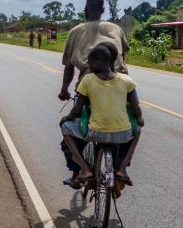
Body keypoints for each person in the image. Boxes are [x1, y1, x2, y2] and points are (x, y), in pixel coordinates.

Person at [57, 0, 131, 187]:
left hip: (87, 89)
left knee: (74, 130)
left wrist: (64, 90)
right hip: (119, 87)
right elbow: (124, 54)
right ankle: (122, 168)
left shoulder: (75, 32)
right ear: (103, 9)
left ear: (86, 9)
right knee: (129, 125)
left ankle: (78, 172)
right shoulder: (116, 29)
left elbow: (69, 67)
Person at [59, 44, 143, 185]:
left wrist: (67, 118)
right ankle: (122, 168)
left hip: (95, 132)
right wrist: (139, 119)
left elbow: (77, 109)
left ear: (96, 62)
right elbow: (136, 108)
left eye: (90, 63)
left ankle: (85, 169)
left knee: (65, 127)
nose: (89, 66)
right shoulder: (126, 80)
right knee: (138, 130)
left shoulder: (88, 79)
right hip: (123, 134)